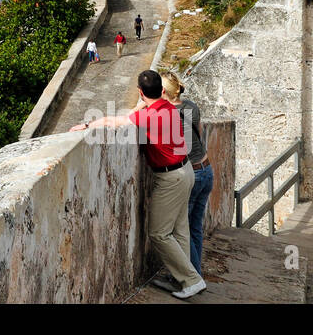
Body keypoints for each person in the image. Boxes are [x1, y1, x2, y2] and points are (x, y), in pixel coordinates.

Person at [69, 70, 205, 299]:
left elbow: (115, 121)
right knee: (180, 230)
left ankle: (191, 280)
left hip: (170, 178)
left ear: (141, 93)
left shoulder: (147, 118)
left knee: (159, 233)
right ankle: (182, 279)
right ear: (162, 91)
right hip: (187, 170)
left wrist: (86, 124)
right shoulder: (169, 107)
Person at [162, 72, 212, 278]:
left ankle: (192, 276)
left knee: (180, 230)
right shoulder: (191, 106)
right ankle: (196, 272)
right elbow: (197, 133)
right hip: (207, 169)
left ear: (162, 91)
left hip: (192, 174)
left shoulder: (166, 114)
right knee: (195, 228)